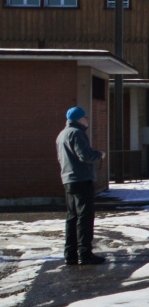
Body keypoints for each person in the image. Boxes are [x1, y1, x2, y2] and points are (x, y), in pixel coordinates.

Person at [57, 107, 106, 266]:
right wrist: (99, 154)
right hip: (82, 180)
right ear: (79, 119)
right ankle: (85, 254)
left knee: (72, 217)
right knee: (85, 218)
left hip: (68, 179)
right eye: (85, 117)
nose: (87, 120)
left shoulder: (62, 135)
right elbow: (85, 156)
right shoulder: (77, 133)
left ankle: (70, 254)